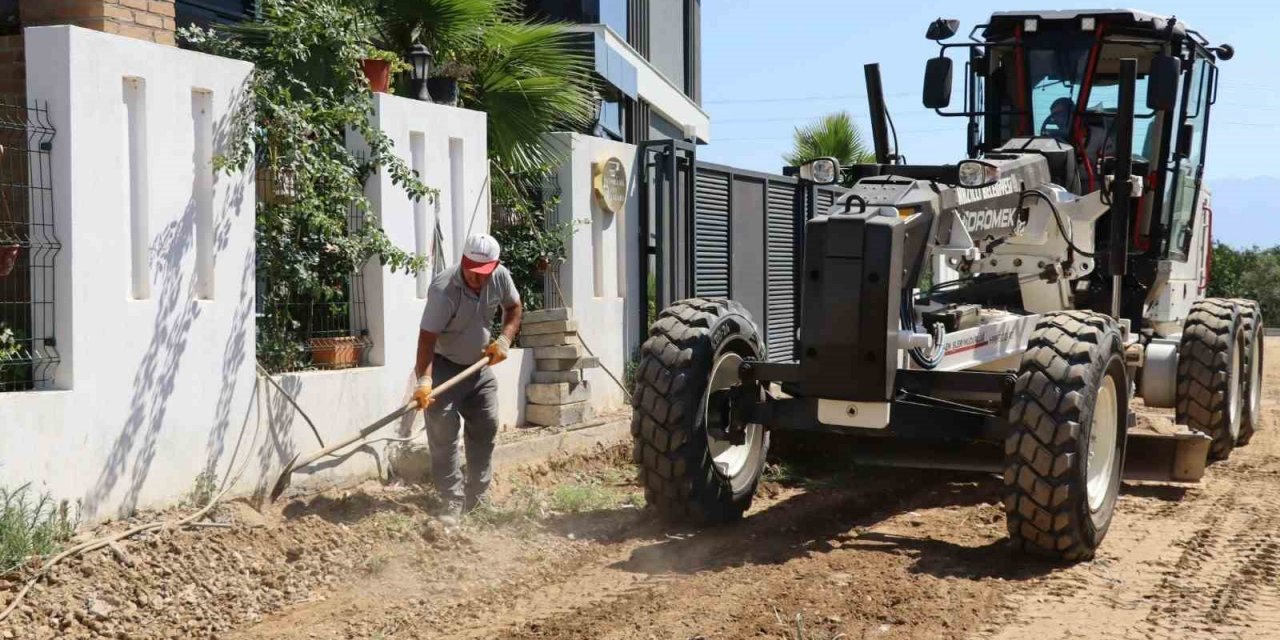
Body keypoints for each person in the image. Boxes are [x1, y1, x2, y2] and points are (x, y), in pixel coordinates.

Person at [412, 233, 522, 526]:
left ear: (495, 266)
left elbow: (514, 308)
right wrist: (424, 379)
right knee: (443, 432)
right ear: (463, 260)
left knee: (486, 424)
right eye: (472, 271)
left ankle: (478, 497)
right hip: (444, 366)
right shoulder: (443, 289)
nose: (477, 278)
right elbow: (426, 340)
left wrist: (504, 340)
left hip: (479, 367)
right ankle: (451, 500)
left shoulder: (499, 277)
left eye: (483, 273)